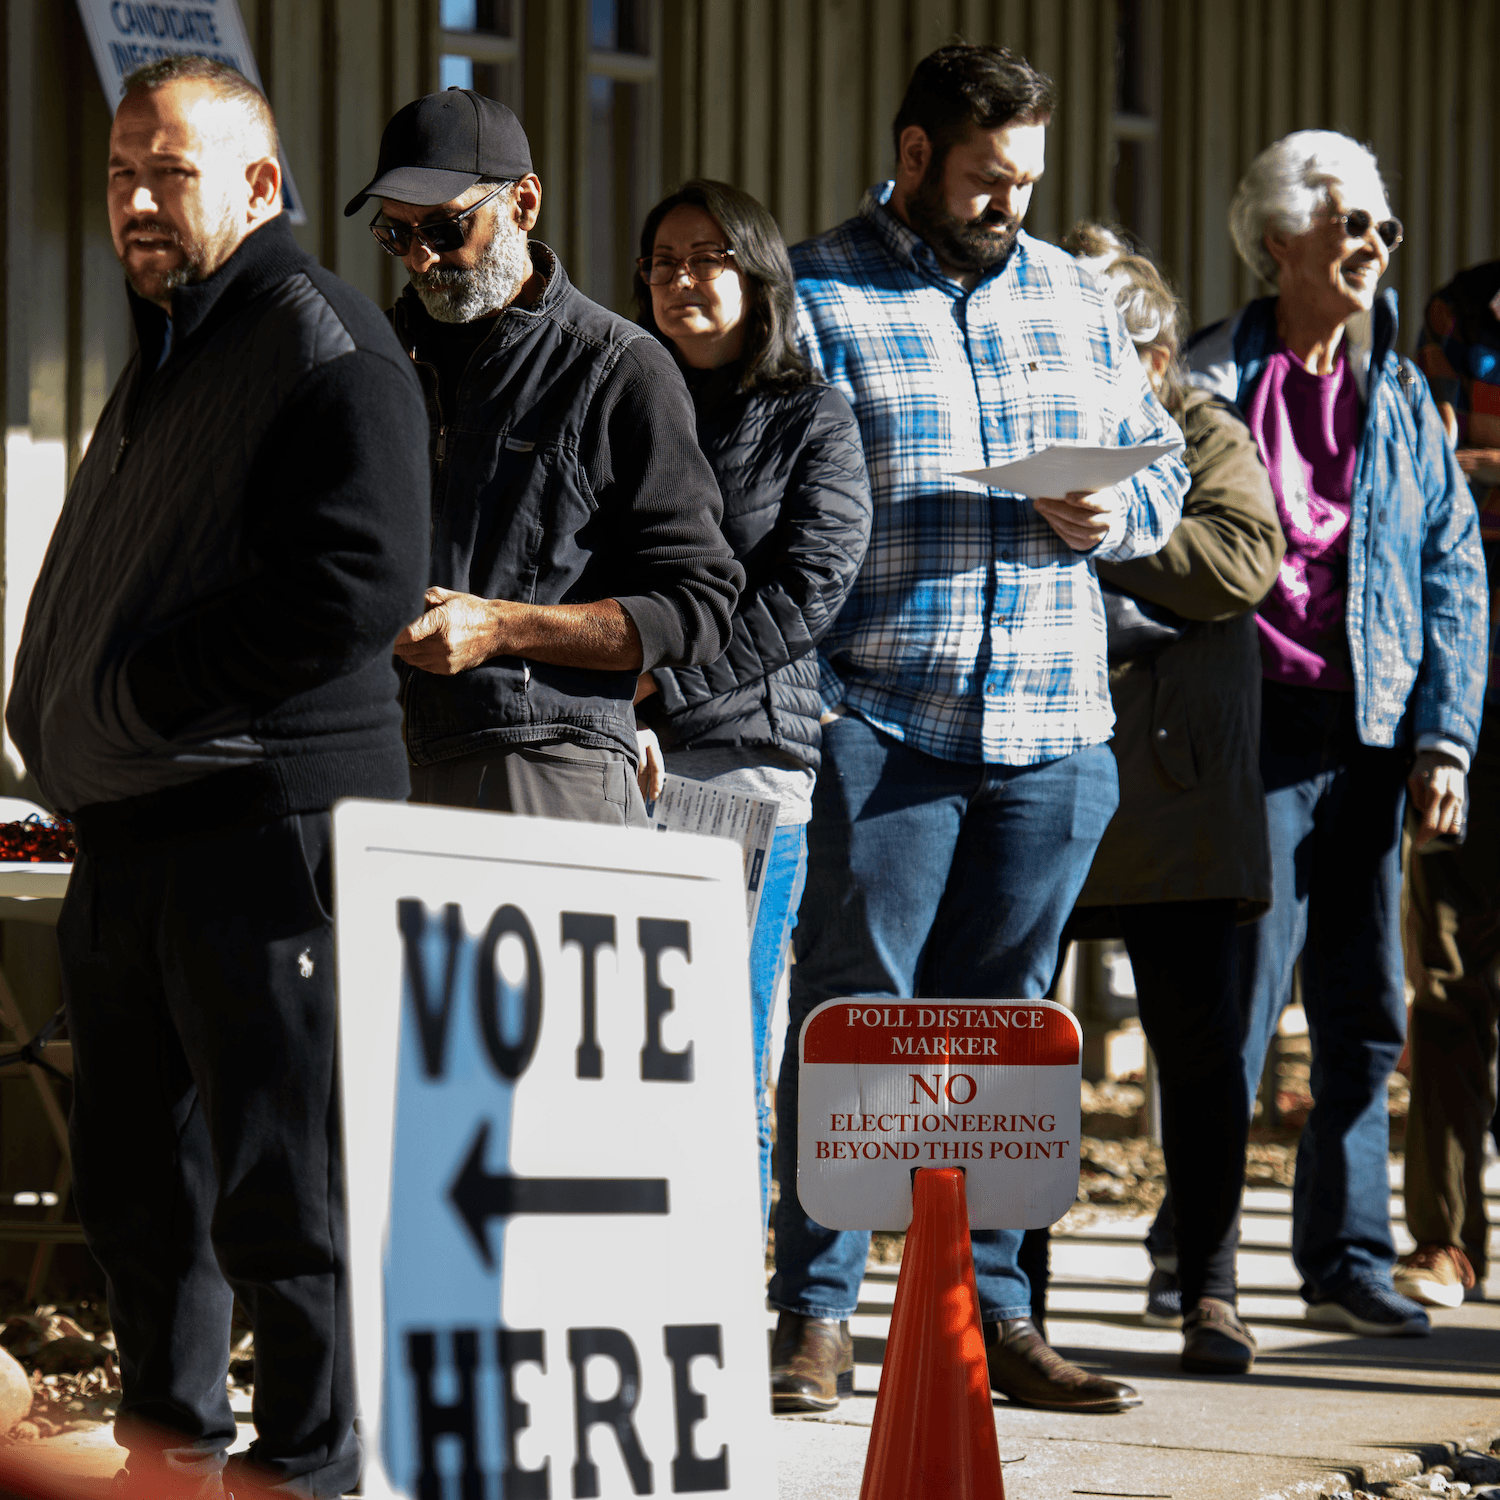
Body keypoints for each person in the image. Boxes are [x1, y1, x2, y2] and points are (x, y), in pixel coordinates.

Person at [5, 56, 431, 1496]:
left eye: (167, 172)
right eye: (121, 171)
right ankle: (172, 1452)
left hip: (268, 831)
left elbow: (358, 580)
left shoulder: (325, 339)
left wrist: (137, 691)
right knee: (136, 1183)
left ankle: (307, 1471)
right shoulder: (181, 340)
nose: (133, 197)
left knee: (283, 1189)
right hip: (136, 835)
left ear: (260, 185)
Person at [768, 43, 1188, 1416]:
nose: (1010, 203)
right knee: (855, 1021)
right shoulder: (820, 294)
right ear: (912, 154)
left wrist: (1110, 514)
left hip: (1057, 723)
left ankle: (993, 1313)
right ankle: (816, 1313)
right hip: (884, 716)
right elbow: (772, 495)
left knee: (1007, 1035)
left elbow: (1164, 469)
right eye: (986, 178)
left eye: (1026, 181)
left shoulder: (1075, 295)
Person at [1177, 130, 1487, 1337]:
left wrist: (1443, 742)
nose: (1371, 245)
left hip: (1368, 729)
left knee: (1366, 1010)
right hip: (1245, 724)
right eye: (1346, 222)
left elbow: (1453, 571)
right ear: (1276, 240)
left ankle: (1345, 1257)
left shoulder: (1404, 397)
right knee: (1235, 1008)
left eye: (1382, 228)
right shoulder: (1204, 380)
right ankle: (1202, 1265)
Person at [344, 89, 742, 824]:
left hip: (546, 763)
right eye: (395, 235)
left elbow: (700, 605)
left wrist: (503, 626)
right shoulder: (367, 358)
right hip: (376, 762)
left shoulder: (620, 368)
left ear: (524, 203)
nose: (422, 257)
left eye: (444, 227)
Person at [1055, 224, 1284, 1374]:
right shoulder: (1038, 433)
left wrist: (1103, 534)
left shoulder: (1205, 432)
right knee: (1028, 1049)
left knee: (1200, 1056)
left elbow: (1246, 559)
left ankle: (1210, 1287)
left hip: (1180, 790)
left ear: (1154, 357)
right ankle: (1014, 1293)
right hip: (1048, 766)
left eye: (1110, 346)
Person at [631, 179, 872, 1229]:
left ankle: (724, 1290)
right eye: (664, 261)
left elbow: (810, 585)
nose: (683, 280)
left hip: (741, 764)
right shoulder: (619, 399)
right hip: (613, 752)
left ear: (757, 273)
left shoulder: (810, 415)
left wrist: (665, 684)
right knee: (627, 1043)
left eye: (708, 258)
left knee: (725, 1037)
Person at [1398, 258, 1500, 1308]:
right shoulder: (1463, 314)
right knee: (1445, 975)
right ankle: (1447, 1240)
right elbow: (1430, 489)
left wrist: (1476, 466)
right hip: (1474, 698)